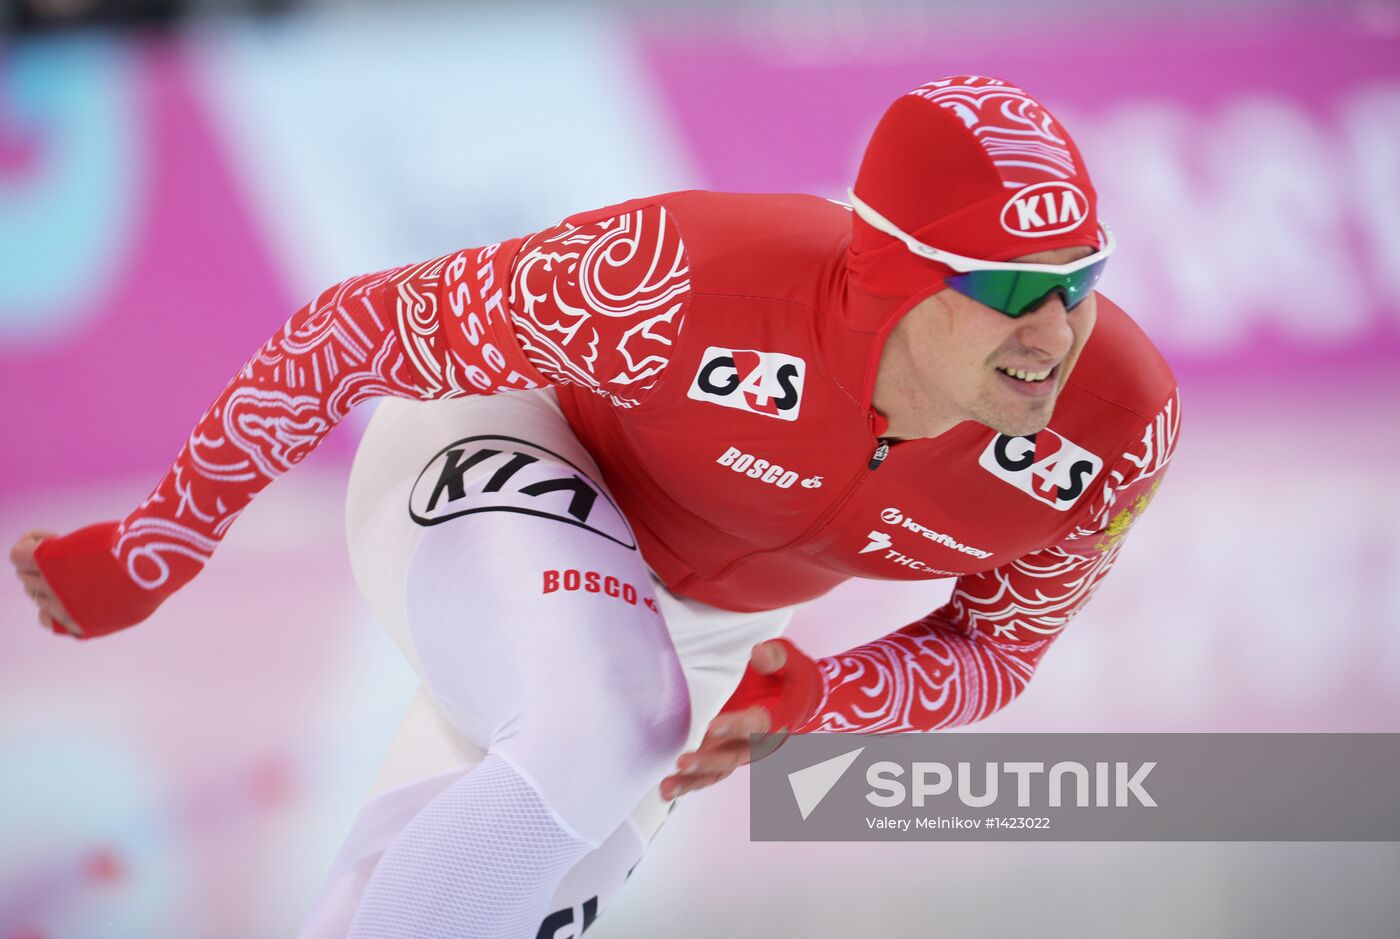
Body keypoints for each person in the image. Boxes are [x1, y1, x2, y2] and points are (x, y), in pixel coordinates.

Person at [10, 75, 1179, 937]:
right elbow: (351, 331)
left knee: (477, 899)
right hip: (518, 458)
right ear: (887, 270)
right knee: (610, 722)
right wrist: (153, 548)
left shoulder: (1116, 433)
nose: (1054, 333)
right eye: (1010, 287)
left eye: (1081, 281)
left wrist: (820, 691)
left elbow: (992, 650)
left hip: (697, 628)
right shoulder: (677, 281)